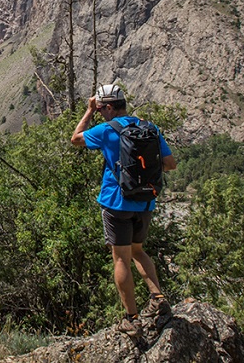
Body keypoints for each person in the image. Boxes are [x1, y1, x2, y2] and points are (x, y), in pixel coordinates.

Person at [71, 84, 176, 336]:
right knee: (138, 251)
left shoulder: (107, 130)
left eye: (100, 109)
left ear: (107, 108)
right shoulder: (150, 127)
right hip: (145, 202)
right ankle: (158, 297)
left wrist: (87, 113)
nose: (100, 113)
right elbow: (170, 164)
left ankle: (131, 318)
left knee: (121, 259)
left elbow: (75, 139)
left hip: (116, 203)